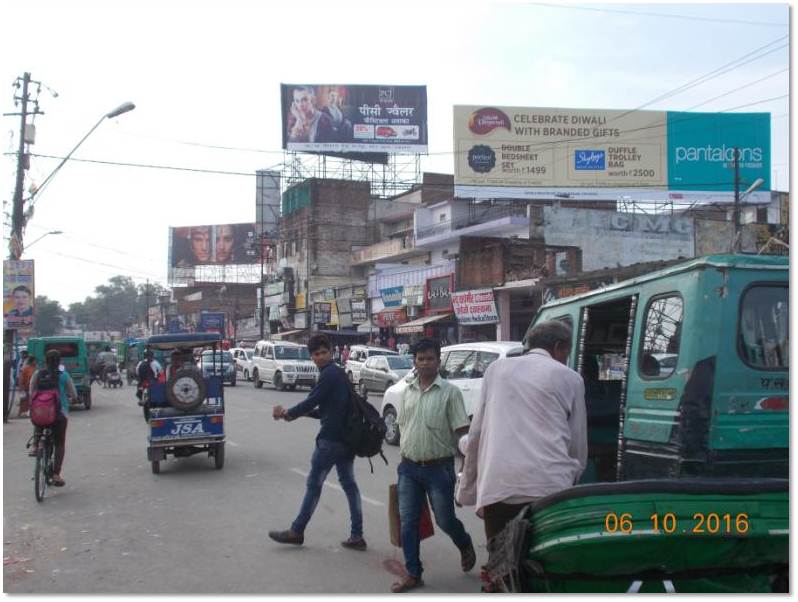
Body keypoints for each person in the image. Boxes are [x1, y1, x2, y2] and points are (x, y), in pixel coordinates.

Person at [457, 320, 587, 544]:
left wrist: (467, 490)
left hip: (498, 488)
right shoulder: (571, 378)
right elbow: (577, 446)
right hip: (550, 489)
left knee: (499, 560)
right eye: (567, 351)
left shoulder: (496, 370)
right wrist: (571, 479)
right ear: (559, 347)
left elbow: (477, 435)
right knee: (546, 560)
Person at [391, 338, 476, 593]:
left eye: (430, 358)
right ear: (414, 362)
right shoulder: (406, 392)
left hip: (439, 469)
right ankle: (413, 573)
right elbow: (403, 428)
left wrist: (466, 472)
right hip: (408, 468)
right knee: (407, 522)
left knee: (445, 520)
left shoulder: (451, 393)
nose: (425, 363)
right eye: (420, 358)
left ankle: (464, 542)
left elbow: (463, 434)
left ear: (438, 361)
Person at [269, 334, 366, 550]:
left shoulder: (329, 374)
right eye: (316, 354)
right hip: (346, 441)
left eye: (324, 353)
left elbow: (312, 401)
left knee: (314, 485)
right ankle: (357, 535)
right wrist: (295, 414)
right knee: (349, 485)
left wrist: (287, 414)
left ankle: (297, 530)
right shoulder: (338, 374)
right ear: (311, 356)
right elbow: (323, 410)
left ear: (331, 352)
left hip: (331, 441)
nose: (320, 357)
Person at [27, 350, 77, 487]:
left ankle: (35, 444)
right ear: (59, 361)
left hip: (40, 411)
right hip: (59, 414)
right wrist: (72, 399)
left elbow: (31, 391)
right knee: (59, 443)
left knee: (39, 420)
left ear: (45, 360)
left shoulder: (38, 374)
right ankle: (56, 474)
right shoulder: (64, 375)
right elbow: (73, 393)